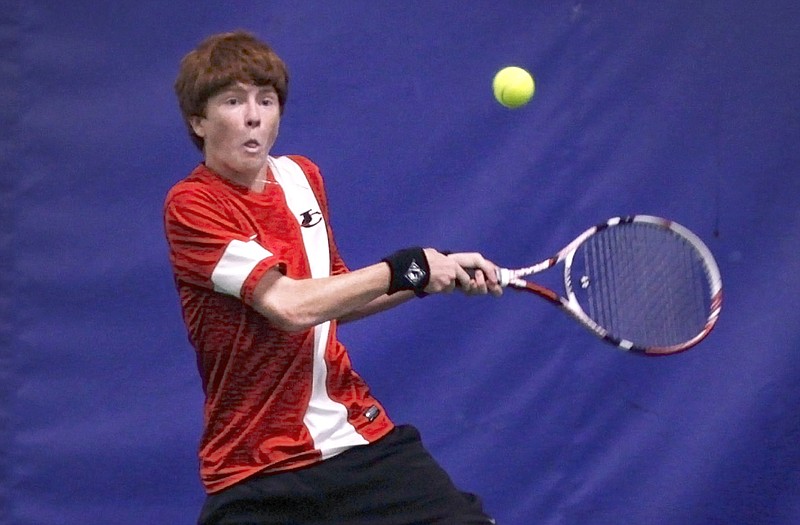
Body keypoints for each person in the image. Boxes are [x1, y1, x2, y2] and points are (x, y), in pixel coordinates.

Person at [164, 30, 503, 525]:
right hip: (255, 467)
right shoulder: (192, 205)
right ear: (199, 120)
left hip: (355, 439)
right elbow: (290, 307)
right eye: (233, 102)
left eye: (266, 100)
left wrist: (432, 272)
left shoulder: (302, 179)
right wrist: (405, 268)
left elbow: (335, 297)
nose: (254, 115)